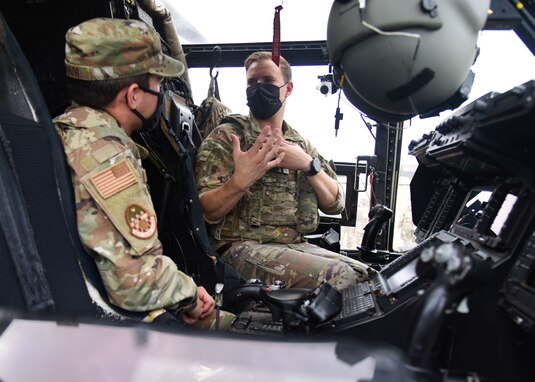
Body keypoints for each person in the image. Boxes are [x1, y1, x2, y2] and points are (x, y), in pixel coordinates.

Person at [53, 17, 233, 329]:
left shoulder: (68, 129)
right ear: (133, 95)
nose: (162, 96)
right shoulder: (105, 152)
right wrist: (190, 295)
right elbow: (135, 283)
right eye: (159, 86)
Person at [195, 51, 370, 291]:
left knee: (368, 276)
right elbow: (207, 211)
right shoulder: (228, 137)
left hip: (293, 246)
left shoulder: (300, 144)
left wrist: (308, 165)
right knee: (339, 277)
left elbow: (335, 204)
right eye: (251, 82)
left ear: (287, 89)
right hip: (238, 248)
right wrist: (241, 180)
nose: (258, 88)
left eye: (267, 81)